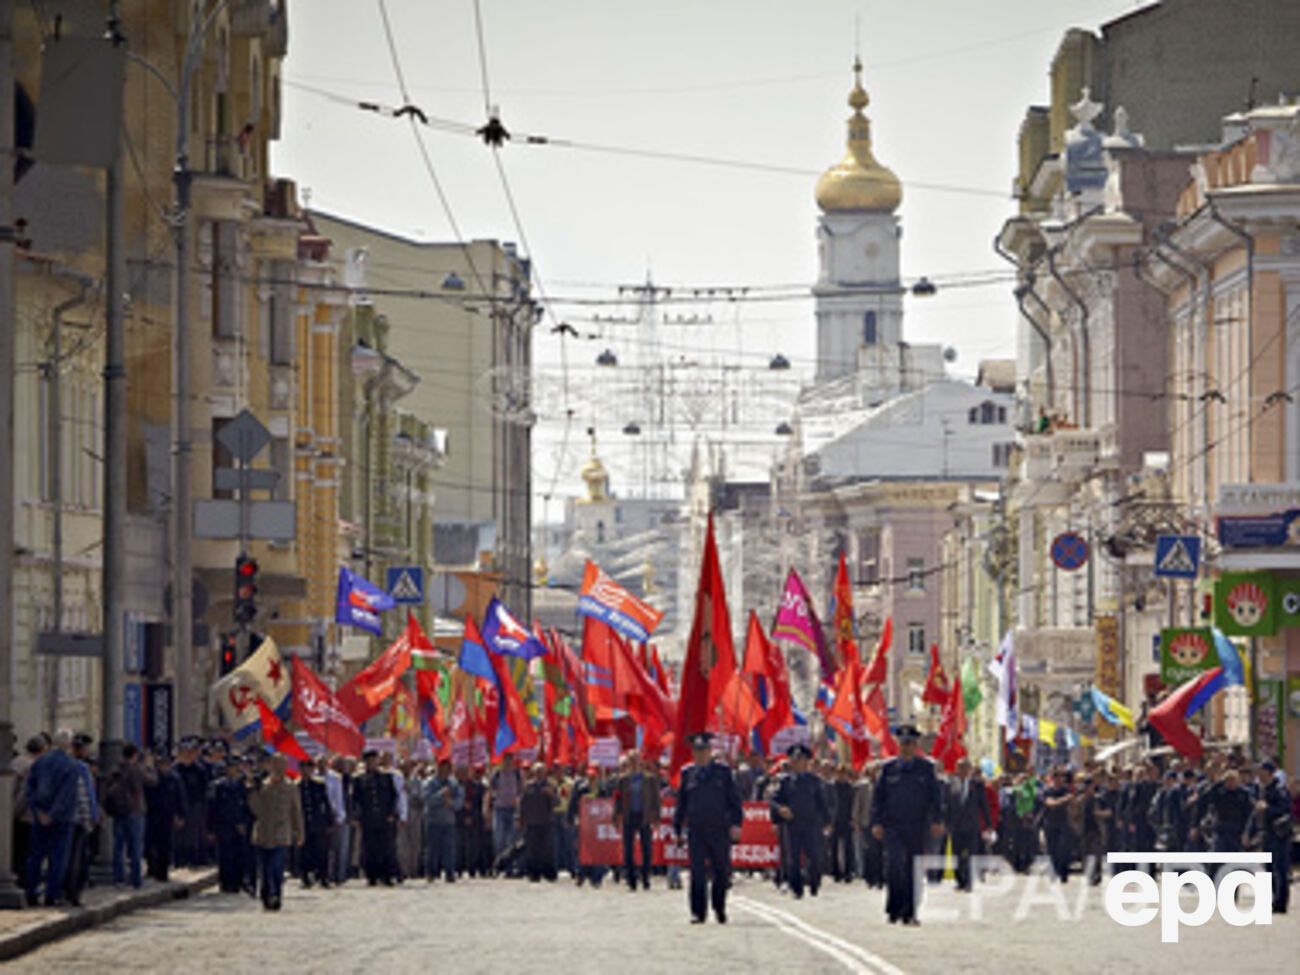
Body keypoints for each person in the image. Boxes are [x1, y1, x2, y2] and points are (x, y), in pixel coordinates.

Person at [869, 725, 943, 925]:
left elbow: (935, 798)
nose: (907, 747)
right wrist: (876, 822)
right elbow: (878, 798)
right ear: (898, 745)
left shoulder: (926, 769)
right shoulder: (888, 768)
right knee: (894, 865)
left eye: (910, 743)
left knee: (912, 869)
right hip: (893, 825)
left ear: (916, 745)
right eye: (903, 743)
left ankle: (910, 911)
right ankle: (894, 907)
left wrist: (936, 820)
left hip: (917, 825)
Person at [673, 732, 742, 924]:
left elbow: (734, 801)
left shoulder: (723, 772)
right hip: (696, 830)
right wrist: (677, 828)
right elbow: (682, 804)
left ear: (710, 752)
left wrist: (736, 824)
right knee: (697, 873)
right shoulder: (687, 774)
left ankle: (719, 908)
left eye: (703, 751)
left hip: (719, 829)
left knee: (721, 872)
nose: (700, 755)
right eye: (697, 751)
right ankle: (698, 912)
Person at [23, 729, 82, 906]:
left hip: (40, 815)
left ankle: (31, 892)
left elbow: (30, 789)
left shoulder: (40, 762)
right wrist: (53, 814)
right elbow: (66, 794)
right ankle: (51, 895)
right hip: (63, 818)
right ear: (69, 745)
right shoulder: (72, 765)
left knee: (36, 855)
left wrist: (38, 812)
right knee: (58, 857)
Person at [770, 743, 831, 899]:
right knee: (793, 858)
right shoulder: (784, 781)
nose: (797, 763)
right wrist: (780, 810)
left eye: (801, 760)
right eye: (794, 760)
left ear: (806, 762)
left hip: (811, 824)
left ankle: (814, 882)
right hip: (792, 824)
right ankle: (796, 887)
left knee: (814, 856)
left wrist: (827, 821)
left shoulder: (814, 781)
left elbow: (822, 802)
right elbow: (774, 800)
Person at [247, 754, 304, 911]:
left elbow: (296, 811)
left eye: (282, 764)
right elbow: (255, 809)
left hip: (281, 832)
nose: (279, 768)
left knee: (277, 866)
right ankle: (266, 894)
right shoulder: (263, 786)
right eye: (276, 764)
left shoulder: (291, 787)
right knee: (265, 868)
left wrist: (299, 832)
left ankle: (276, 894)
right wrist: (253, 792)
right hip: (264, 832)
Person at [107, 743, 156, 890]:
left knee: (119, 846)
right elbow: (153, 781)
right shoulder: (137, 770)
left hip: (118, 812)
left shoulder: (115, 769)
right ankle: (136, 879)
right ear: (134, 755)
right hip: (135, 811)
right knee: (135, 846)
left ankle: (118, 878)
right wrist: (149, 765)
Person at [613, 751, 661, 891]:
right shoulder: (623, 779)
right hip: (629, 816)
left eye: (636, 760)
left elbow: (655, 799)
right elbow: (618, 799)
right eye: (631, 760)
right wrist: (616, 815)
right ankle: (631, 879)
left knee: (647, 848)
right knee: (628, 849)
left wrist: (656, 817)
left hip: (644, 816)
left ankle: (646, 877)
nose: (634, 763)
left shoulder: (649, 779)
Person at [352, 750, 399, 885]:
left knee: (386, 848)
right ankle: (371, 875)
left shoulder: (386, 777)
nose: (372, 763)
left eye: (374, 760)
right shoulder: (359, 779)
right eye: (369, 761)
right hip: (368, 818)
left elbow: (393, 796)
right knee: (369, 848)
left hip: (384, 818)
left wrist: (391, 813)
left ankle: (387, 875)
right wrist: (356, 816)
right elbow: (355, 800)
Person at [62, 733, 99, 907]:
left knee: (64, 855)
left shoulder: (63, 765)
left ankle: (61, 890)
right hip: (78, 818)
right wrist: (93, 815)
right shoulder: (82, 768)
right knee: (78, 857)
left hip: (60, 816)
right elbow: (87, 795)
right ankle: (73, 892)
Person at [1251, 761, 1291, 914]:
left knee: (1280, 869)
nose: (1258, 774)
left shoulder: (1279, 789)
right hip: (1266, 834)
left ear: (1269, 772)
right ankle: (1272, 899)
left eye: (1261, 771)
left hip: (1279, 835)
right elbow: (1255, 814)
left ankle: (1281, 903)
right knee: (1268, 869)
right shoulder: (1261, 789)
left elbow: (1285, 808)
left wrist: (1268, 808)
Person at [208, 755, 253, 894]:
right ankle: (225, 882)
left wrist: (244, 823)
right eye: (230, 767)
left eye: (235, 767)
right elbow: (212, 808)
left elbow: (247, 806)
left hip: (239, 826)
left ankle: (237, 882)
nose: (233, 770)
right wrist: (210, 829)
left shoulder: (242, 785)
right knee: (225, 855)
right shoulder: (218, 786)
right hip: (223, 825)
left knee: (239, 855)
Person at [945, 757, 990, 892]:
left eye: (965, 767)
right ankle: (960, 881)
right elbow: (946, 805)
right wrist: (945, 823)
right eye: (960, 767)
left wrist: (988, 824)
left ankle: (969, 881)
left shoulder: (976, 785)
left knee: (971, 854)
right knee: (957, 854)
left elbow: (984, 805)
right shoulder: (951, 784)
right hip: (956, 825)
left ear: (969, 769)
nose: (962, 770)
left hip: (972, 825)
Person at [143, 750, 187, 882]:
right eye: (160, 764)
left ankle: (163, 871)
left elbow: (180, 798)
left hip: (168, 815)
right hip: (152, 814)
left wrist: (181, 815)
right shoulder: (152, 778)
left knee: (165, 844)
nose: (163, 766)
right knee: (151, 843)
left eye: (165, 764)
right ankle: (152, 868)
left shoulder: (174, 778)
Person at [423, 759, 462, 882]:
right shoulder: (430, 782)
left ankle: (450, 873)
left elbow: (459, 801)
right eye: (442, 767)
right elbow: (427, 800)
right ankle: (431, 873)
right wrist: (441, 796)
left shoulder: (454, 783)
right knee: (432, 849)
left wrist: (451, 803)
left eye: (447, 768)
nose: (445, 770)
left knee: (449, 849)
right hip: (433, 820)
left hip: (449, 821)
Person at [518, 763, 558, 882]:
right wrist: (520, 818)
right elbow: (522, 803)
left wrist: (552, 795)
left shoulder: (550, 786)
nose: (539, 774)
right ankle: (533, 873)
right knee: (532, 849)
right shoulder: (528, 786)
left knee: (547, 849)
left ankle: (549, 873)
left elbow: (557, 802)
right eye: (537, 771)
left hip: (546, 821)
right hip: (532, 822)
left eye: (542, 771)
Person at [297, 758, 333, 888]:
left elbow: (326, 804)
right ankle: (305, 877)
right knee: (304, 852)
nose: (306, 771)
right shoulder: (297, 786)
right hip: (303, 823)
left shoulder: (319, 785)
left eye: (308, 768)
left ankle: (323, 877)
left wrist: (330, 821)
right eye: (303, 768)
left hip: (318, 823)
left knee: (321, 851)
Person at [488, 754, 523, 865]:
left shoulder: (517, 774)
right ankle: (499, 863)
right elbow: (490, 791)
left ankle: (511, 865)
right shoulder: (497, 774)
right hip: (499, 809)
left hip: (513, 809)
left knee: (512, 839)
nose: (508, 763)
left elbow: (521, 791)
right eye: (505, 761)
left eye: (510, 761)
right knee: (499, 838)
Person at [324, 755, 352, 886]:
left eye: (343, 764)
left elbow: (343, 799)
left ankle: (340, 875)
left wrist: (342, 816)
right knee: (327, 848)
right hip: (327, 817)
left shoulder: (346, 779)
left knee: (342, 848)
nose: (341, 766)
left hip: (342, 816)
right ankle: (327, 874)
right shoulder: (327, 778)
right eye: (337, 763)